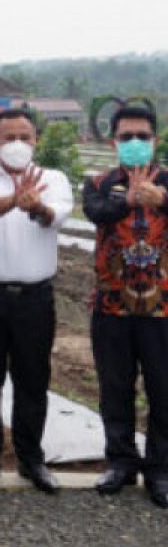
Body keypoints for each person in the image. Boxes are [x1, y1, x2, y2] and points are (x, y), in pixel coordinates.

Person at [0, 108, 72, 494]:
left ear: (36, 140)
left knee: (33, 379)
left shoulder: (54, 179)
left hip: (34, 299)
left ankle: (31, 459)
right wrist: (14, 199)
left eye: (25, 137)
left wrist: (37, 206)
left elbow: (54, 216)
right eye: (8, 137)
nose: (17, 145)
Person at [82, 104, 168, 509]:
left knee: (163, 391)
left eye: (143, 136)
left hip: (162, 310)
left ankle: (160, 469)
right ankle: (120, 462)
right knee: (115, 389)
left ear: (156, 140)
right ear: (114, 141)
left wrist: (161, 199)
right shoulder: (99, 183)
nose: (135, 143)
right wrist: (128, 200)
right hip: (111, 306)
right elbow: (95, 213)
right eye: (127, 136)